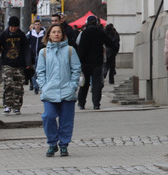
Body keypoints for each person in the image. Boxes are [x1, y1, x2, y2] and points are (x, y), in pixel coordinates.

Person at [36, 22, 82, 158]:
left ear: (62, 35)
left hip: (67, 91)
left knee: (66, 121)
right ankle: (52, 143)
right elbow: (40, 72)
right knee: (48, 116)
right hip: (49, 91)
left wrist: (73, 85)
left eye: (59, 32)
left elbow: (76, 69)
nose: (56, 34)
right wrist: (43, 86)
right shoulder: (43, 52)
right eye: (54, 32)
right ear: (49, 35)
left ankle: (63, 145)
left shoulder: (70, 50)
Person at [0, 16, 31, 115]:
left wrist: (28, 63)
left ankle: (17, 106)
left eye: (15, 27)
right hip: (7, 63)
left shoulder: (21, 35)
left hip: (19, 64)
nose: (13, 29)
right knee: (8, 83)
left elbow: (26, 49)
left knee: (18, 86)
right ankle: (7, 105)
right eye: (12, 27)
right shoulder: (4, 35)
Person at [76, 15, 112, 110]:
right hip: (97, 62)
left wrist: (80, 61)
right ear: (96, 22)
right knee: (96, 84)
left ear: (87, 22)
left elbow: (81, 48)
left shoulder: (84, 33)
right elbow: (110, 43)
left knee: (84, 84)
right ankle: (96, 104)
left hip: (85, 63)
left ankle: (81, 102)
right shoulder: (100, 32)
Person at [27, 20, 46, 93]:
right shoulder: (31, 33)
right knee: (34, 72)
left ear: (40, 25)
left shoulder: (44, 33)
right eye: (35, 24)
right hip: (32, 56)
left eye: (38, 24)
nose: (37, 26)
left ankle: (41, 86)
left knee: (40, 72)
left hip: (41, 56)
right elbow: (26, 43)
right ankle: (35, 87)